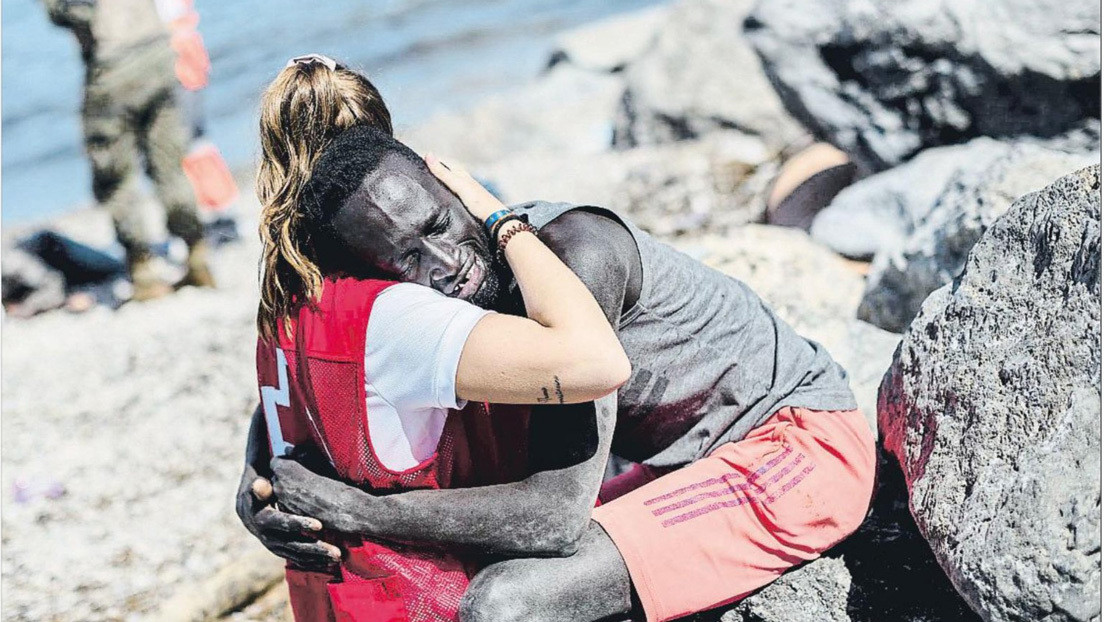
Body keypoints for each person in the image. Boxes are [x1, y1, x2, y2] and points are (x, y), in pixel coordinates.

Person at [239, 58, 877, 622]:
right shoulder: (442, 301)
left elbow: (554, 517)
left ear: (456, 187)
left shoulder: (576, 254)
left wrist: (357, 513)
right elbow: (318, 372)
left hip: (795, 447)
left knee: (504, 601)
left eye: (440, 223)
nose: (443, 263)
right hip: (685, 462)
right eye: (407, 262)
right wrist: (262, 478)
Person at [247, 55, 628, 622]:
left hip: (328, 600)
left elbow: (283, 407)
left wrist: (255, 476)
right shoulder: (394, 313)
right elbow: (594, 363)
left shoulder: (285, 297)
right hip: (423, 596)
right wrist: (503, 221)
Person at [43, 0, 215, 300]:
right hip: (157, 51)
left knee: (114, 175)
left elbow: (69, 11)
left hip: (114, 63)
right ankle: (196, 250)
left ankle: (143, 270)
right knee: (169, 164)